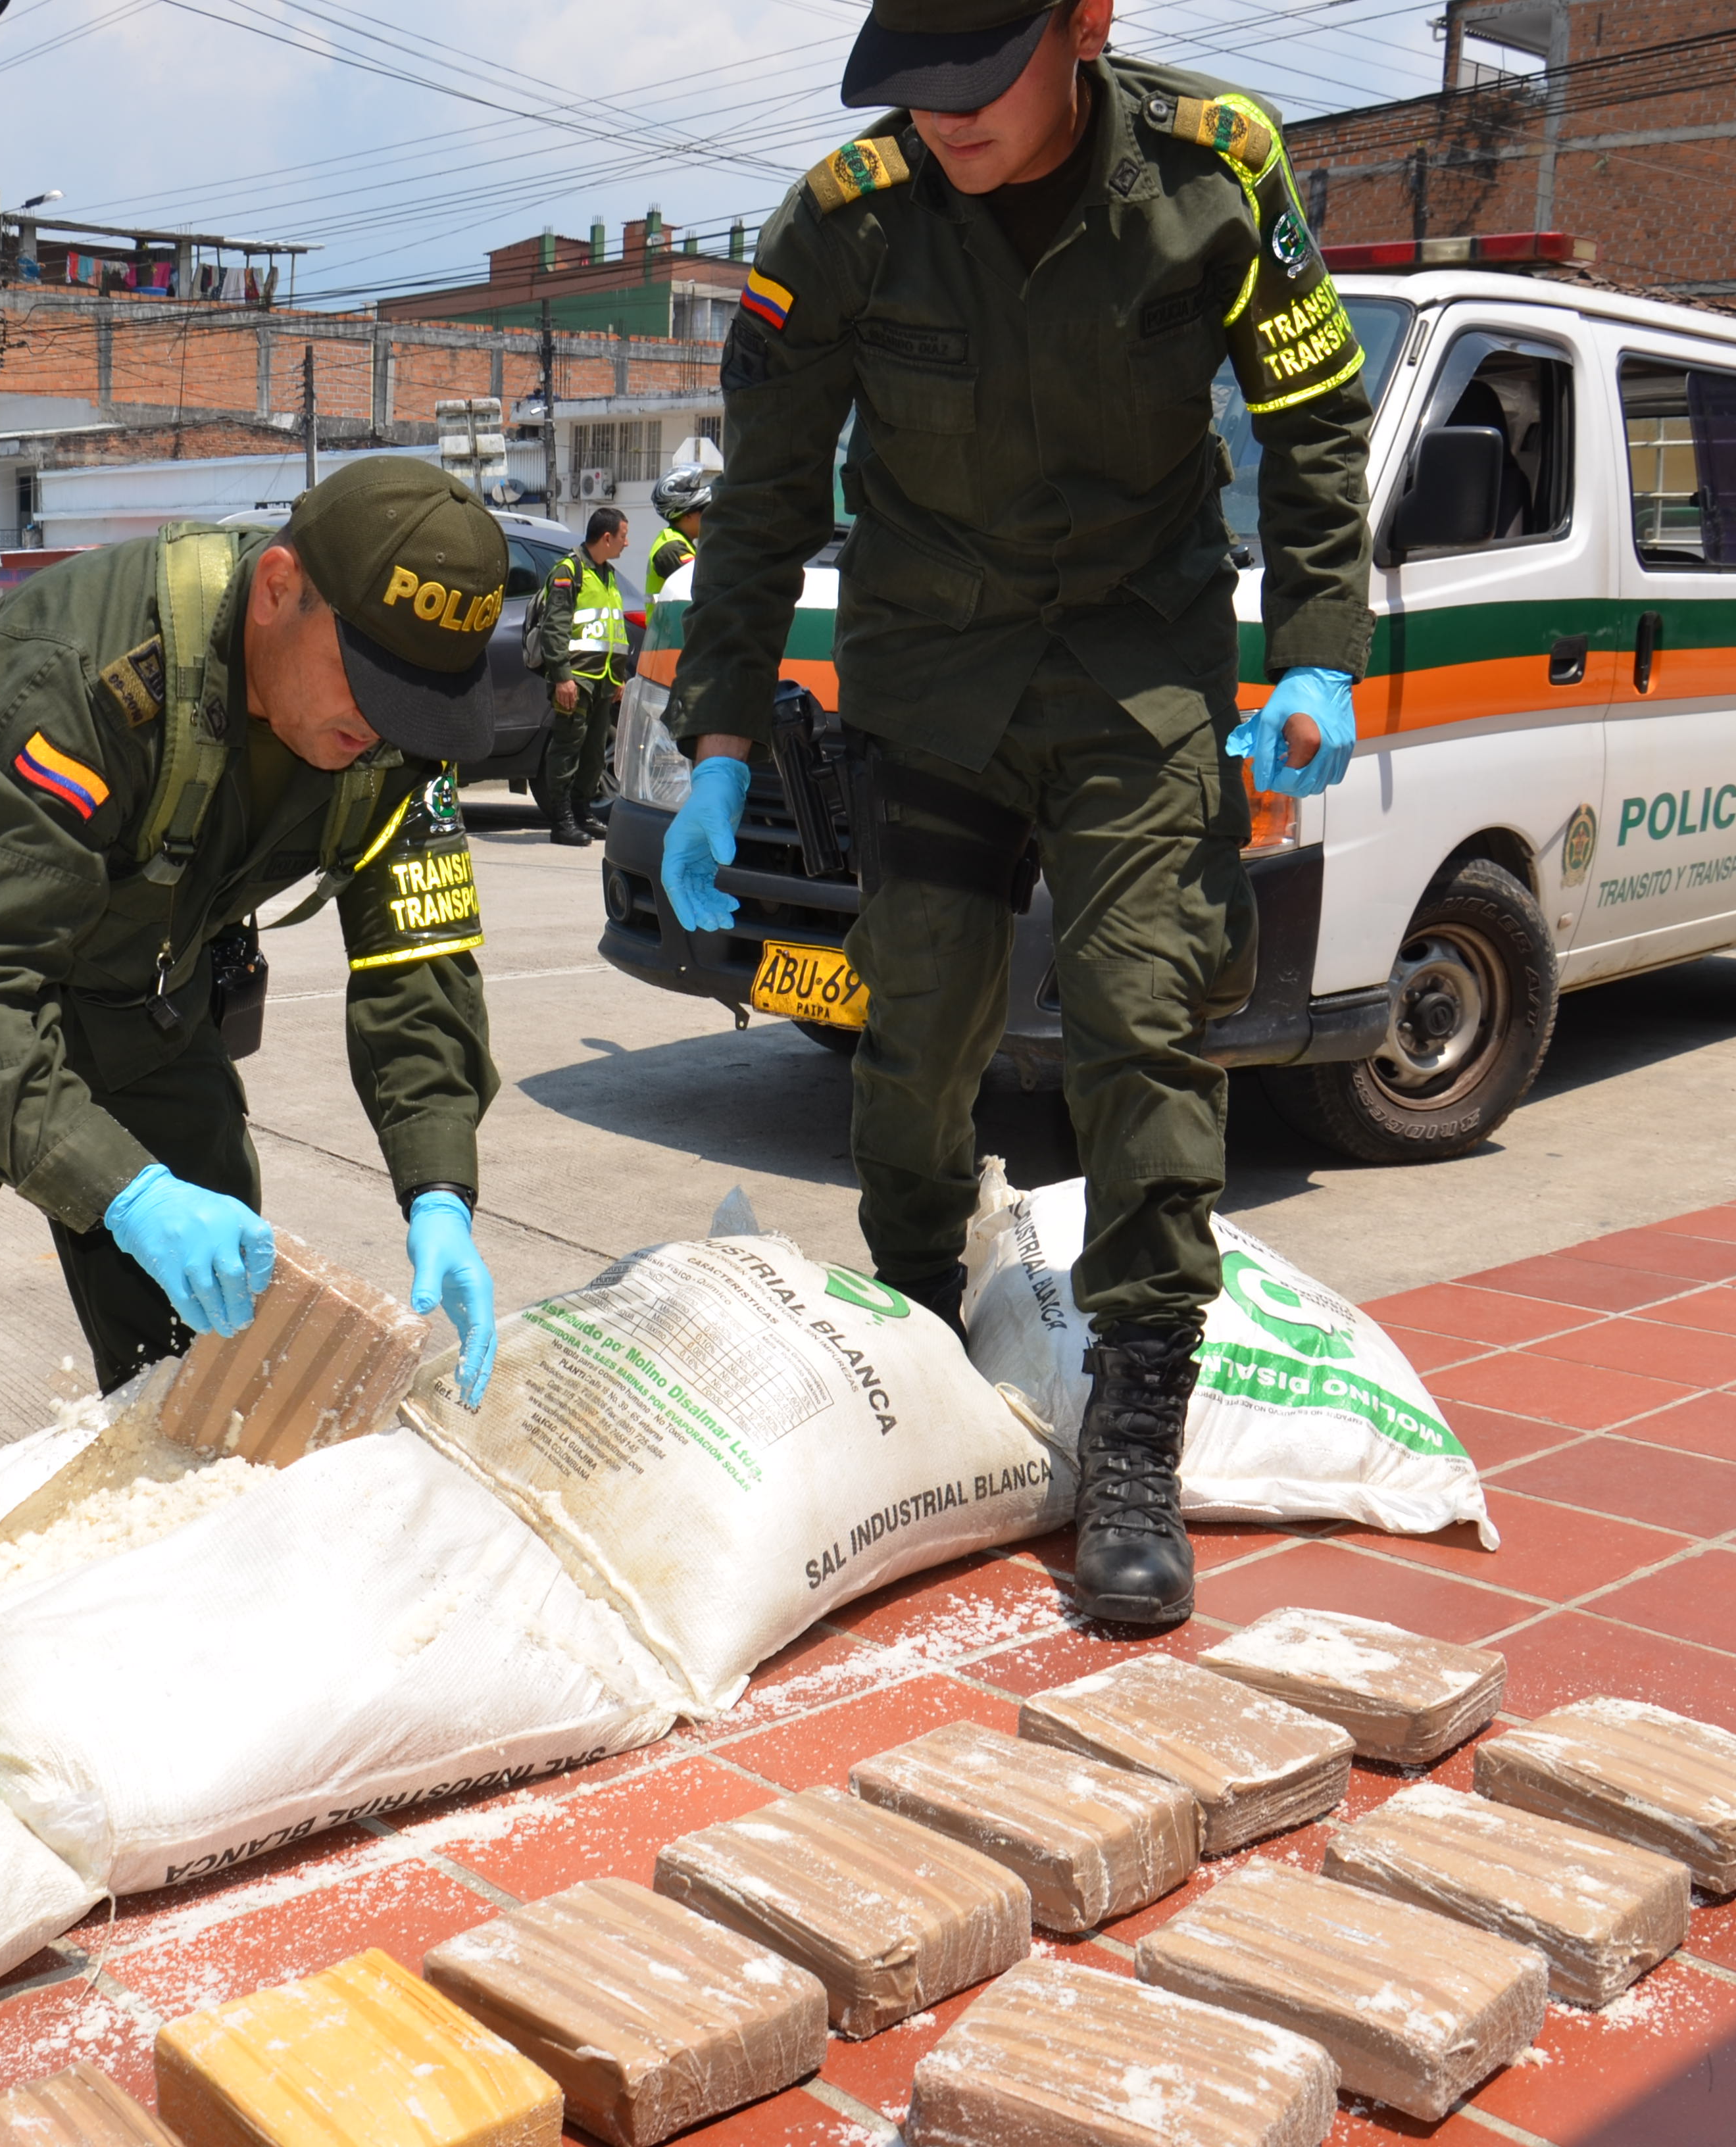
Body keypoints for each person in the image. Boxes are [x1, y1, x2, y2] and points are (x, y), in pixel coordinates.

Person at [660, 0, 1375, 1627]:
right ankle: (911, 1342)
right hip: (935, 690)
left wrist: (1322, 652)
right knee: (914, 1042)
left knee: (1144, 1019)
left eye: (978, 80)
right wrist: (717, 743)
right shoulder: (843, 223)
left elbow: (1314, 422)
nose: (945, 123)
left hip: (1143, 673)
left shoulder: (1220, 170)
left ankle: (1134, 1427)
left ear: (1089, 23)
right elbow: (765, 496)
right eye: (912, 89)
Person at [0, 457, 509, 1604]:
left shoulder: (396, 727)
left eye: (419, 702)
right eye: (369, 685)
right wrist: (128, 1193)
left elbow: (417, 956)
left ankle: (169, 1587)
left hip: (142, 979)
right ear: (278, 587)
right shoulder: (86, 674)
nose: (384, 727)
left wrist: (437, 1185)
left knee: (217, 1346)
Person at [533, 506, 632, 847]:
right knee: (567, 748)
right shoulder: (569, 571)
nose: (627, 543)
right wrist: (561, 677)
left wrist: (617, 678)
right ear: (606, 537)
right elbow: (555, 628)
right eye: (623, 536)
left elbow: (611, 629)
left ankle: (583, 812)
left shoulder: (608, 574)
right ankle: (562, 822)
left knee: (593, 753)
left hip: (602, 681)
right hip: (576, 679)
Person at [648, 465, 715, 601]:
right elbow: (704, 589)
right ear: (686, 515)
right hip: (671, 623)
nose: (709, 515)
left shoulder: (682, 543)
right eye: (704, 509)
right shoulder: (672, 548)